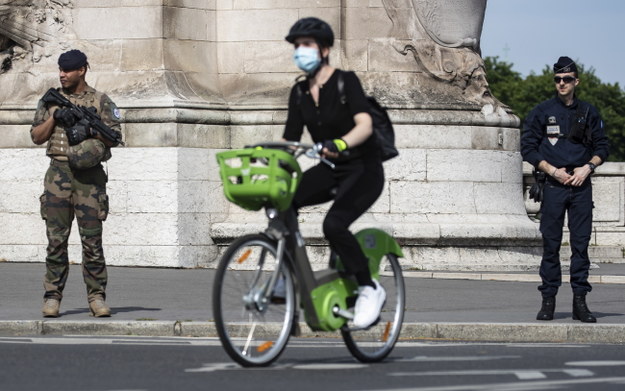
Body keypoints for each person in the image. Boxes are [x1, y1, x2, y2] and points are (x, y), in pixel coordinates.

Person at [282, 17, 385, 328]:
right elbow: (290, 139)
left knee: (334, 224)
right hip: (331, 168)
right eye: (297, 45)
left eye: (307, 45)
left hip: (363, 169)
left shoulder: (345, 81)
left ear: (324, 49)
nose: (300, 51)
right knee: (283, 203)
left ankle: (369, 287)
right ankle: (286, 276)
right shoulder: (299, 92)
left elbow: (364, 125)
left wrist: (340, 143)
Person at [30, 49, 122, 318]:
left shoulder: (101, 100)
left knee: (92, 242)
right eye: (60, 69)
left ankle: (96, 297)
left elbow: (114, 137)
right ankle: (52, 298)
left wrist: (90, 130)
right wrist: (54, 117)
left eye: (68, 70)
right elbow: (36, 136)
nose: (62, 74)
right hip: (58, 175)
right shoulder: (50, 101)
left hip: (89, 180)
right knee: (56, 241)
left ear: (82, 70)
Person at [521, 56, 609, 323]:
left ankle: (580, 303)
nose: (562, 83)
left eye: (567, 79)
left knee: (580, 247)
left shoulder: (589, 112)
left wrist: (587, 168)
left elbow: (603, 147)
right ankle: (548, 300)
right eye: (558, 79)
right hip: (554, 185)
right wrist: (552, 170)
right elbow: (528, 148)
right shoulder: (541, 111)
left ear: (576, 81)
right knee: (550, 246)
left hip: (581, 186)